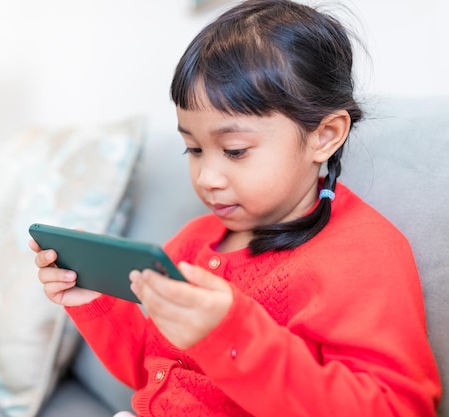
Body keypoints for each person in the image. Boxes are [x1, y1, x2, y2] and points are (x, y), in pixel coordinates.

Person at [30, 0, 442, 415]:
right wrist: (92, 299)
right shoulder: (195, 241)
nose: (207, 176)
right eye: (193, 148)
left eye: (235, 150)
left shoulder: (361, 254)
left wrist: (232, 336)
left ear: (325, 135)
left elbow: (397, 408)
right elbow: (151, 369)